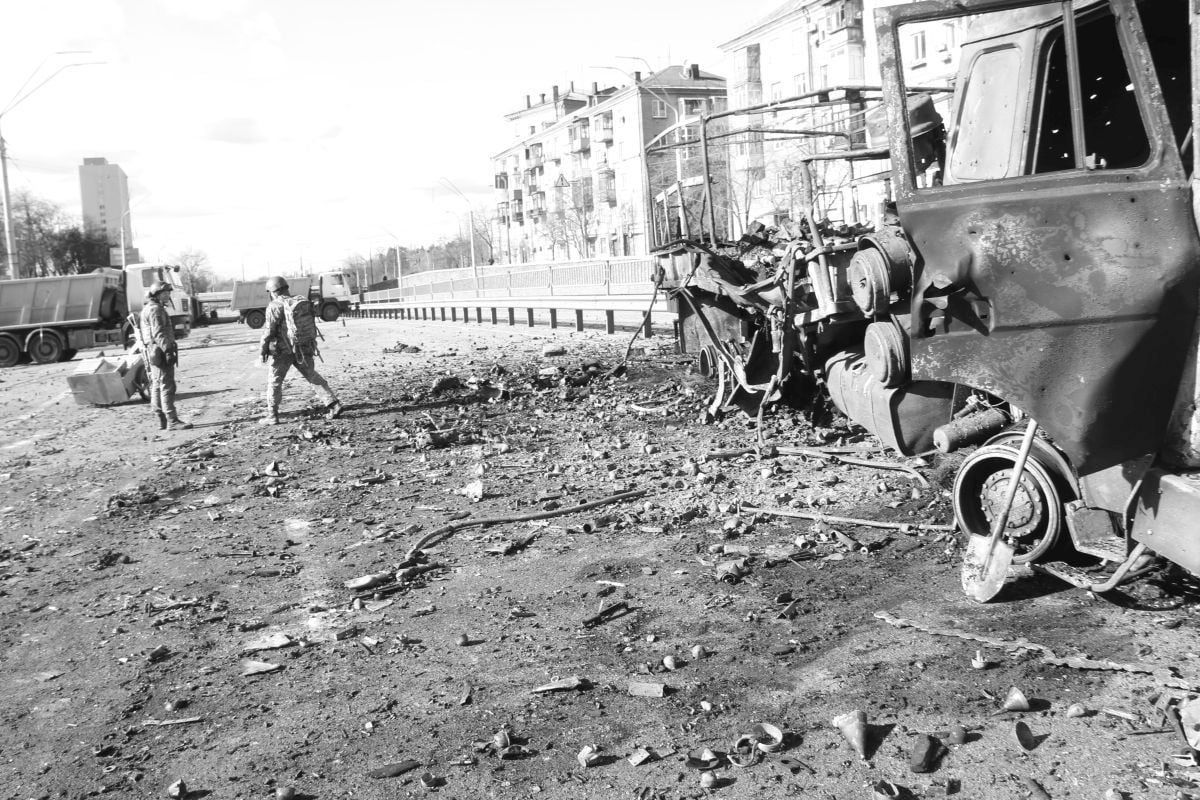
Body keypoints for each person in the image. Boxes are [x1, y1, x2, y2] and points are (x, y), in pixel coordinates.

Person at [259, 276, 342, 425]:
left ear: (272, 292)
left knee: (275, 382)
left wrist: (263, 350)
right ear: (286, 288)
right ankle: (333, 403)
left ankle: (272, 415)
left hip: (283, 351)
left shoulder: (274, 305)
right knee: (312, 375)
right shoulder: (300, 300)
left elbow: (269, 331)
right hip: (303, 347)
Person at [139, 280, 192, 431]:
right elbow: (159, 333)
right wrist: (168, 350)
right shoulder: (156, 310)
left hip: (152, 351)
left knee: (156, 384)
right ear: (156, 295)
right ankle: (172, 421)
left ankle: (160, 418)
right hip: (160, 351)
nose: (168, 295)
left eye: (168, 293)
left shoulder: (148, 309)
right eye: (164, 293)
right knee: (167, 386)